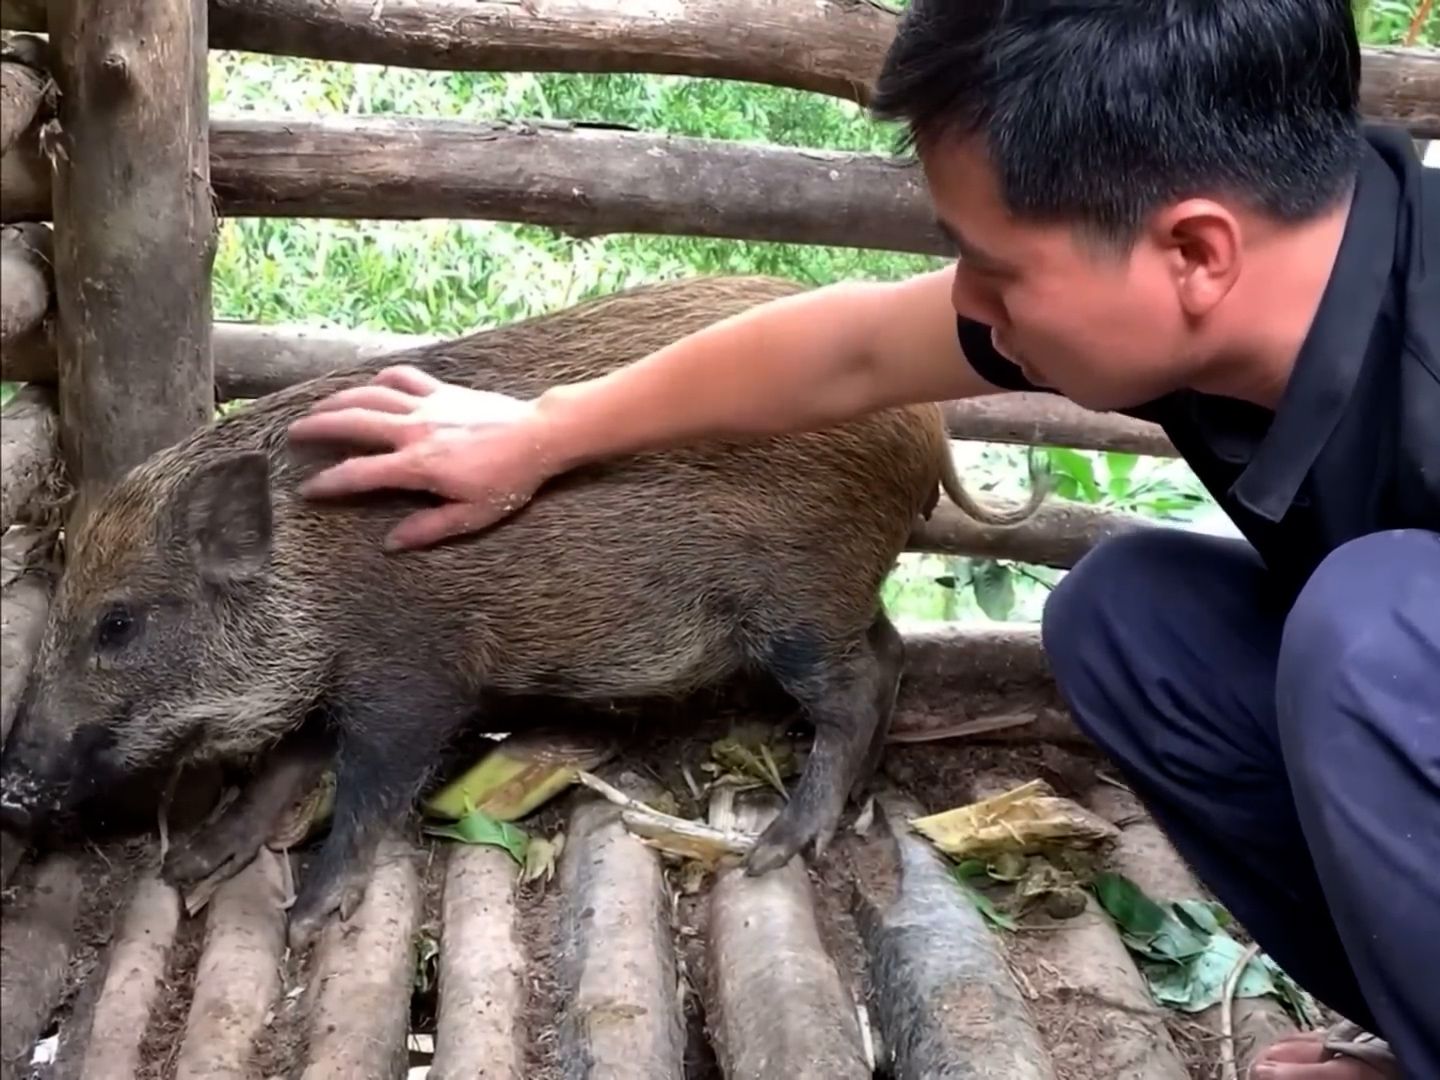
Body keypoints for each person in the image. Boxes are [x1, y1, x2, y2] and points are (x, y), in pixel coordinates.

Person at [286, 1, 1438, 1075]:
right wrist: (539, 432)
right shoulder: (1260, 272)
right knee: (1128, 620)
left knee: (1370, 638)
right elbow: (852, 353)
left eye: (997, 270)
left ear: (1194, 254)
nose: (968, 305)